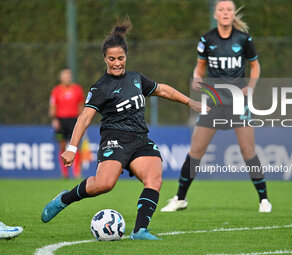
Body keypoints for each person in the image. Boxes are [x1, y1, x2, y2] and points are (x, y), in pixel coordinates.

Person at [41, 17, 202, 240]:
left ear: (126, 56)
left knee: (154, 179)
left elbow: (163, 90)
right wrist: (72, 148)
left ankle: (140, 230)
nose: (117, 63)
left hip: (140, 140)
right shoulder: (100, 87)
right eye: (112, 59)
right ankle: (64, 199)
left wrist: (189, 102)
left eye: (121, 58)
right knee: (104, 184)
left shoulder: (136, 78)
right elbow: (84, 118)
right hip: (114, 139)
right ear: (104, 59)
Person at [161, 0, 272, 213]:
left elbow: (255, 66)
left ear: (232, 14)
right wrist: (196, 78)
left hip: (238, 103)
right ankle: (180, 199)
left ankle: (264, 200)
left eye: (229, 9)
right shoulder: (206, 39)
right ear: (215, 14)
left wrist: (251, 86)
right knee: (196, 150)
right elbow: (199, 68)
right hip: (214, 104)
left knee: (248, 150)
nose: (225, 12)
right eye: (221, 9)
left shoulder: (244, 38)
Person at [49, 68, 85, 178]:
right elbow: (53, 106)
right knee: (62, 146)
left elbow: (81, 106)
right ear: (61, 77)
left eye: (68, 75)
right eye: (65, 76)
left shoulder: (77, 89)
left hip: (74, 120)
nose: (67, 78)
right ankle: (64, 173)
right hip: (61, 120)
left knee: (76, 146)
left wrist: (82, 120)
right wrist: (54, 119)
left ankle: (77, 172)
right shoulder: (56, 90)